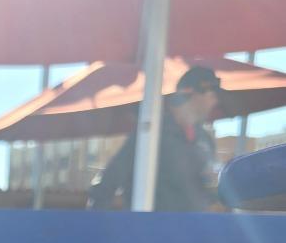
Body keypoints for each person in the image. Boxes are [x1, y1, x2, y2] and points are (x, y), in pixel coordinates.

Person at [88, 65, 224, 212]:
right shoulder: (151, 134)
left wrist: (215, 188)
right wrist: (98, 229)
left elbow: (208, 194)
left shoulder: (204, 140)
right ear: (193, 93)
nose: (215, 102)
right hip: (151, 230)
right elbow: (108, 182)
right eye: (213, 95)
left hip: (191, 231)